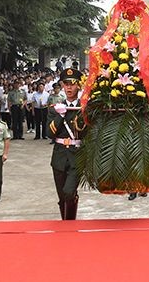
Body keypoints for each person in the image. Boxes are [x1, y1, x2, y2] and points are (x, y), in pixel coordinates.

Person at [47, 68, 85, 220]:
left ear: (79, 86)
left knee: (69, 192)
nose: (69, 87)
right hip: (60, 156)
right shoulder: (55, 109)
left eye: (72, 84)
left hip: (77, 156)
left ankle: (70, 223)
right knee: (62, 196)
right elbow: (49, 133)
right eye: (66, 84)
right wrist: (60, 115)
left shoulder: (84, 108)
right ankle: (66, 224)